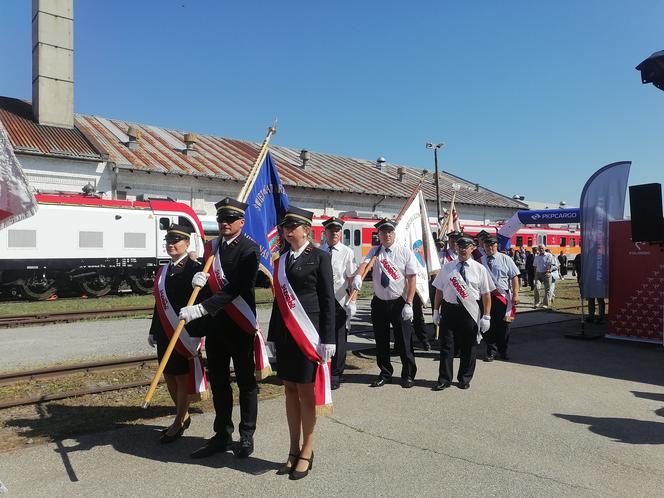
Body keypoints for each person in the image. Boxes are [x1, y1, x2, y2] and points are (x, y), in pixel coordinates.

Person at [179, 197, 262, 459]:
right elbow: (206, 283)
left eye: (230, 219)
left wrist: (202, 308)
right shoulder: (211, 247)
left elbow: (238, 286)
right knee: (219, 380)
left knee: (246, 382)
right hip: (216, 327)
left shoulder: (250, 249)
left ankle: (246, 435)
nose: (224, 223)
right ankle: (222, 434)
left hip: (239, 324)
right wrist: (197, 281)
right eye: (221, 219)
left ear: (241, 221)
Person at [268, 206, 336, 480]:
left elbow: (328, 300)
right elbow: (278, 302)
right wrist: (273, 335)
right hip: (286, 335)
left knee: (307, 394)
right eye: (285, 226)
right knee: (289, 391)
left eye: (292, 225)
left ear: (306, 229)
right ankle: (292, 448)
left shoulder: (320, 257)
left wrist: (329, 339)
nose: (287, 230)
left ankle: (307, 449)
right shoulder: (281, 260)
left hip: (310, 335)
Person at [147, 224, 206, 443]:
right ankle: (182, 413)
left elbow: (201, 302)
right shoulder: (163, 270)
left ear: (187, 243)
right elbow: (158, 304)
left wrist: (197, 333)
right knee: (168, 374)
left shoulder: (195, 268)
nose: (172, 245)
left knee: (182, 376)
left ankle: (179, 420)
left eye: (177, 241)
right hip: (164, 329)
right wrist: (153, 330)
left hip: (184, 331)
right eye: (169, 241)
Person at [353, 218, 419, 388]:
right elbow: (364, 265)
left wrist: (409, 303)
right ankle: (385, 373)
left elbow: (412, 280)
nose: (387, 235)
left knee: (404, 341)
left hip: (399, 302)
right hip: (379, 302)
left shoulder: (405, 252)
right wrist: (359, 276)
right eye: (383, 232)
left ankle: (408, 374)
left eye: (389, 232)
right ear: (379, 235)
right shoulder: (375, 251)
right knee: (381, 340)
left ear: (394, 234)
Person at [431, 236, 493, 390]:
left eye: (467, 246)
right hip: (450, 309)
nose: (463, 249)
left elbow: (486, 294)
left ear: (473, 248)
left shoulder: (480, 269)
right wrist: (435, 310)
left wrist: (486, 315)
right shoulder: (447, 268)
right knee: (446, 346)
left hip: (470, 311)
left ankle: (464, 378)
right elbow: (439, 290)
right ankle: (444, 379)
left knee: (469, 346)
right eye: (460, 246)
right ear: (456, 248)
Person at [319, 216, 357, 390]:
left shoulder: (347, 252)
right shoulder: (319, 250)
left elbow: (351, 278)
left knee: (339, 339)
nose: (334, 233)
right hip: (322, 300)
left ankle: (336, 374)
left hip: (340, 300)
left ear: (340, 233)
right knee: (323, 336)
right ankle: (323, 370)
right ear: (325, 232)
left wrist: (353, 300)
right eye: (330, 230)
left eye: (337, 231)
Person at [481, 236, 520, 361]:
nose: (490, 248)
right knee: (488, 325)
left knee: (504, 326)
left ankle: (503, 350)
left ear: (497, 246)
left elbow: (514, 277)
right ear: (484, 247)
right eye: (487, 246)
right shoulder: (480, 261)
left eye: (492, 245)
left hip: (502, 297)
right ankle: (491, 351)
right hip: (486, 297)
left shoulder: (505, 259)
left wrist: (516, 294)